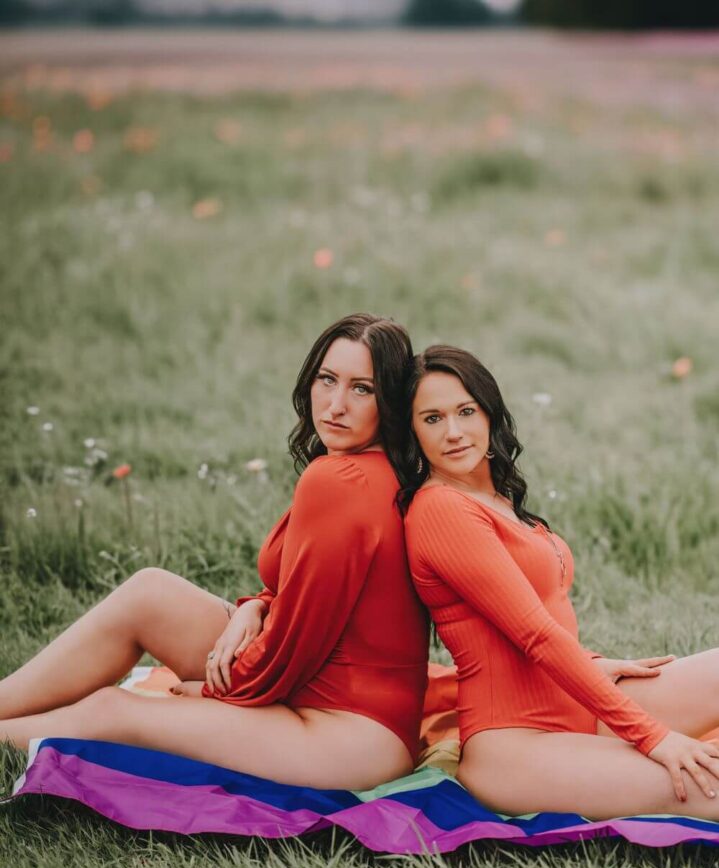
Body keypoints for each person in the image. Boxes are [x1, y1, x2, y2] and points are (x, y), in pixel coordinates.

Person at [0, 314, 429, 791]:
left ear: (388, 402)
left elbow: (292, 647)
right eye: (327, 380)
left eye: (362, 389)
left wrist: (211, 693)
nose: (335, 404)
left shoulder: (339, 482)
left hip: (349, 735)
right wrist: (257, 607)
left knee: (114, 709)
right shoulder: (364, 468)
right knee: (151, 592)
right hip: (322, 689)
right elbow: (315, 590)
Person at [401, 345, 719, 820]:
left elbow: (529, 615)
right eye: (432, 418)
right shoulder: (441, 509)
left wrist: (594, 663)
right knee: (706, 784)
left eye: (466, 411)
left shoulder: (493, 495)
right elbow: (535, 634)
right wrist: (654, 737)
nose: (453, 432)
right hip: (518, 747)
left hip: (576, 698)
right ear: (413, 432)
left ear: (489, 412)